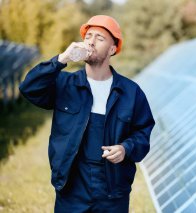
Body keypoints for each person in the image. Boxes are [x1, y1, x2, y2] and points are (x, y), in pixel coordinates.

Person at [19, 15, 155, 212]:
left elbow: (143, 132)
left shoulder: (131, 92)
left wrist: (126, 148)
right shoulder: (65, 84)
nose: (91, 41)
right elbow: (29, 88)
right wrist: (61, 60)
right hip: (71, 188)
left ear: (112, 49)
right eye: (88, 36)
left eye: (100, 38)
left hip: (113, 192)